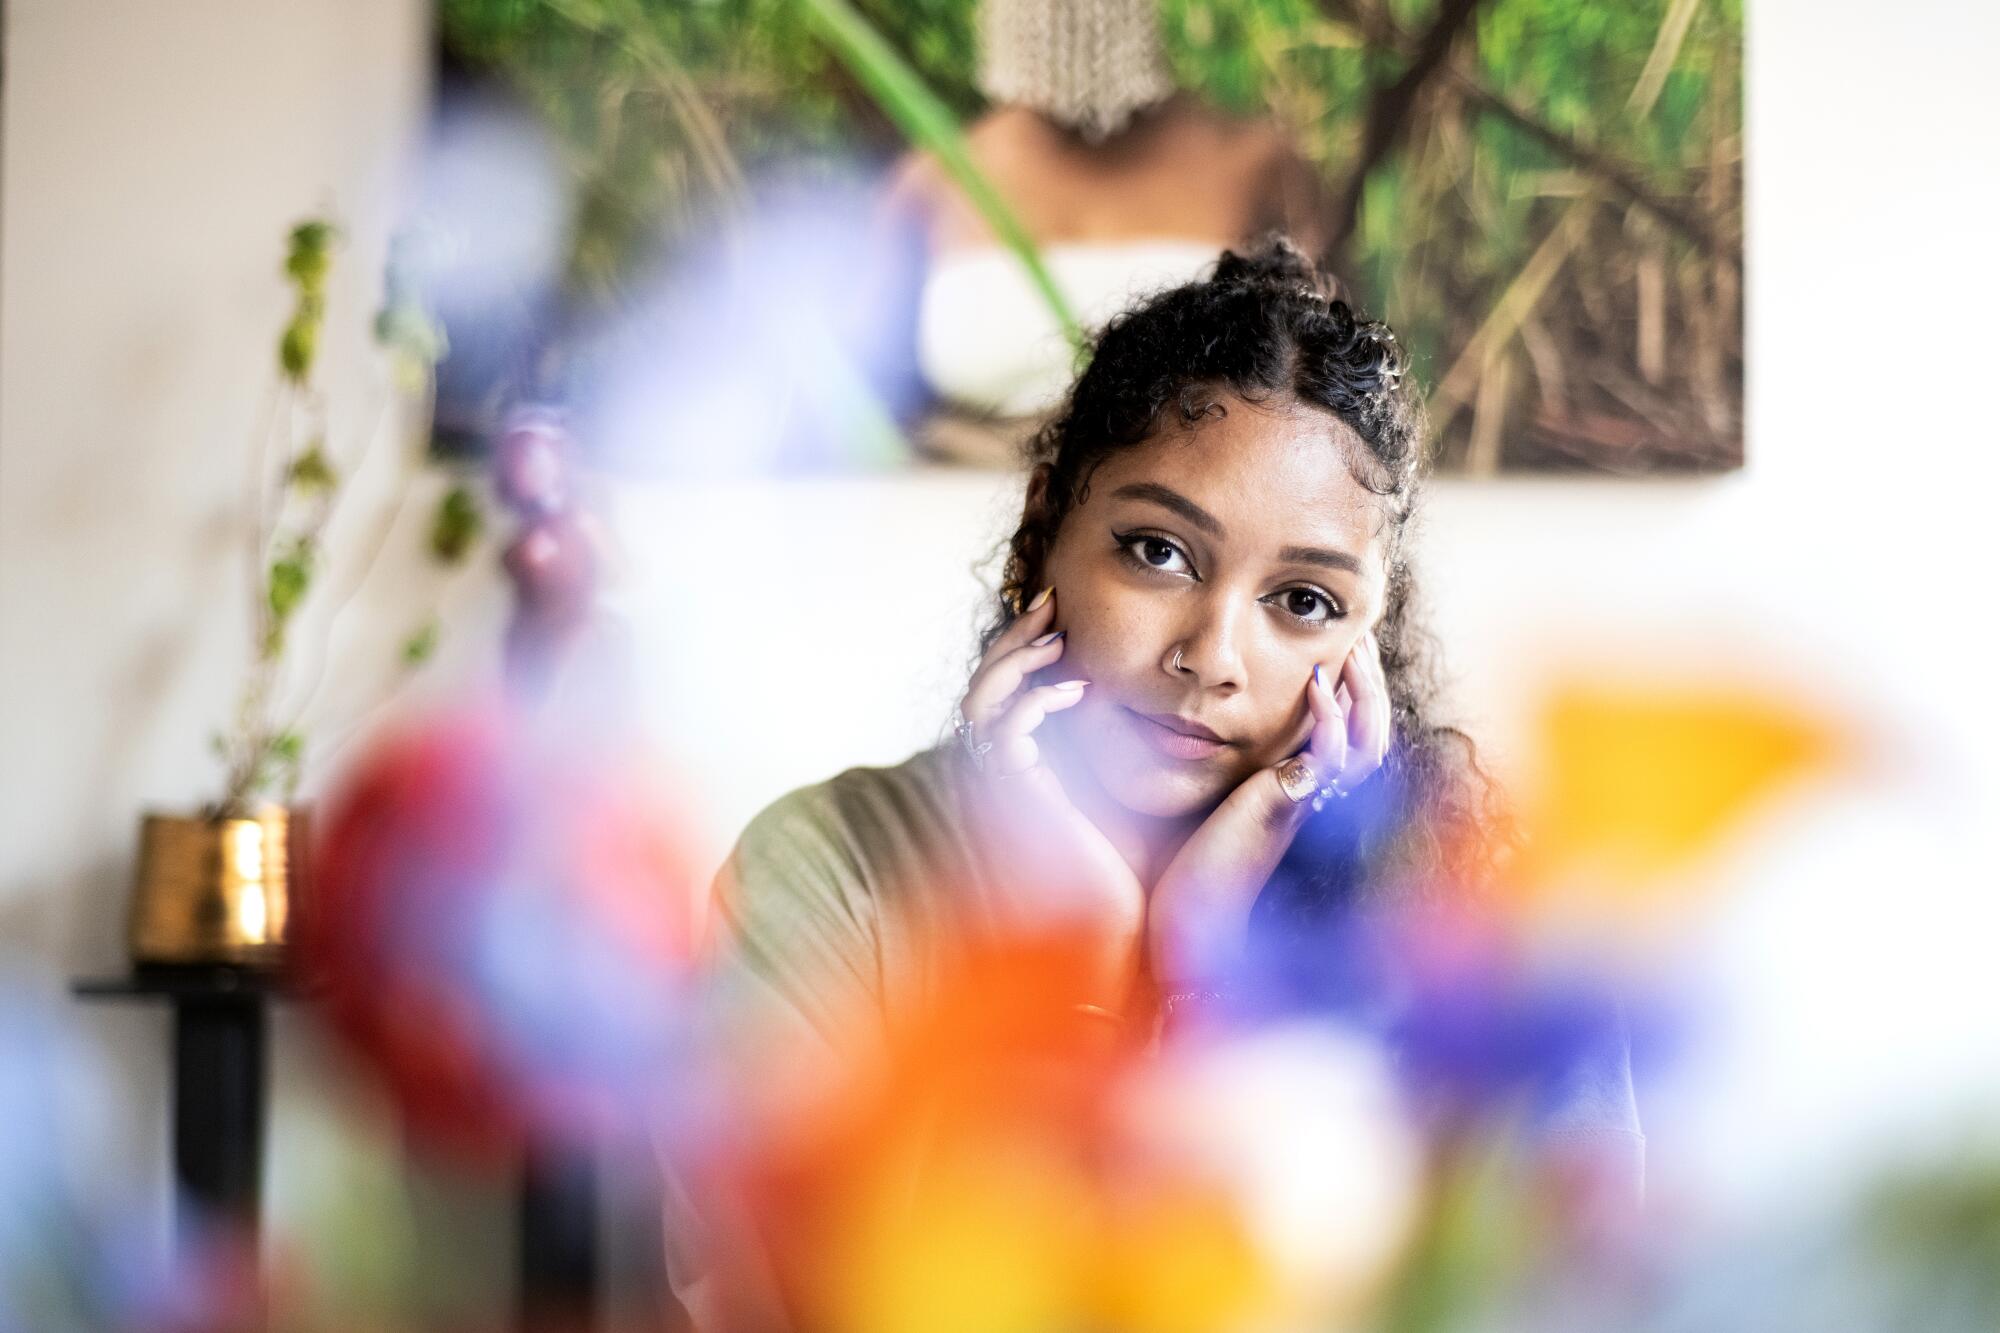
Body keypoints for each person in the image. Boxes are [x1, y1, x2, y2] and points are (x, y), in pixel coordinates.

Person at [666, 236, 1642, 1328]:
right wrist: (1081, 952)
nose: (1212, 655)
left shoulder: (1478, 942)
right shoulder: (828, 868)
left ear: (1368, 643)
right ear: (1043, 530)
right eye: (1157, 552)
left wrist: (1197, 964)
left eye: (1303, 602)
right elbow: (785, 1294)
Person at [882, 0, 1333, 466]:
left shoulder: (1255, 162)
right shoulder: (935, 180)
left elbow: (1323, 376)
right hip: (959, 492)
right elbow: (861, 390)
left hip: (1193, 494)